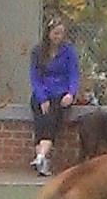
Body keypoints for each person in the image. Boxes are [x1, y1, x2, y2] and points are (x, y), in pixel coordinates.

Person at [29, 13, 80, 173]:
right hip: (42, 94)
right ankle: (42, 161)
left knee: (51, 123)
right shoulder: (38, 51)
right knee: (40, 124)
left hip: (60, 95)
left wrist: (71, 93)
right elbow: (35, 76)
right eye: (55, 33)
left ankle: (40, 157)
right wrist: (42, 97)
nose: (58, 37)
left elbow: (73, 74)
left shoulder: (69, 51)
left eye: (61, 33)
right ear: (48, 33)